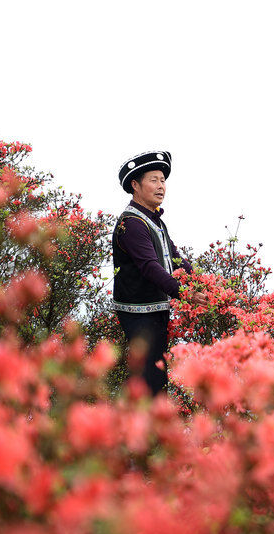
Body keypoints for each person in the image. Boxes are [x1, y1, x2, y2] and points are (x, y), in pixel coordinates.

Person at [112, 150, 204, 396]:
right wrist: (185, 292)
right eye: (154, 180)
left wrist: (202, 283)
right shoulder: (131, 223)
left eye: (163, 181)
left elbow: (174, 258)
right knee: (150, 380)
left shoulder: (155, 222)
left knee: (157, 377)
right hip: (139, 315)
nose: (161, 186)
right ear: (135, 185)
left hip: (156, 312)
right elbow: (150, 267)